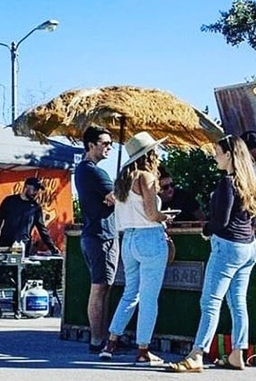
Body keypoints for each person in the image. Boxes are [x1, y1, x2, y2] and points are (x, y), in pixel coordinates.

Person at [168, 135, 256, 373]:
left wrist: (205, 230)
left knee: (210, 301)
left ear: (229, 155)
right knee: (237, 302)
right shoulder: (250, 182)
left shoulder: (227, 183)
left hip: (228, 247)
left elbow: (220, 221)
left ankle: (196, 354)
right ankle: (237, 354)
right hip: (249, 247)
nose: (214, 156)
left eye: (217, 152)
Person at [98, 132, 172, 366]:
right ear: (149, 154)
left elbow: (117, 205)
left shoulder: (122, 180)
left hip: (127, 240)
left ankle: (110, 342)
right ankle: (143, 350)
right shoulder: (147, 177)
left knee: (131, 292)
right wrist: (165, 217)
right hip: (149, 238)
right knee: (149, 298)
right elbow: (151, 213)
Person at [0, 177, 60, 313]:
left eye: (37, 191)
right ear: (27, 187)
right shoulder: (9, 201)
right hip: (4, 245)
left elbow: (42, 229)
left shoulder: (35, 207)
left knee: (20, 276)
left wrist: (53, 248)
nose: (36, 193)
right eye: (34, 190)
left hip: (22, 247)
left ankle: (17, 307)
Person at [74, 125, 119, 353]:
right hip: (100, 236)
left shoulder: (83, 170)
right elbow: (115, 199)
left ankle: (100, 339)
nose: (109, 148)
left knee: (102, 287)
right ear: (91, 145)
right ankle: (98, 340)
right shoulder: (93, 171)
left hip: (95, 234)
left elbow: (111, 200)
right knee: (100, 287)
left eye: (111, 144)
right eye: (105, 144)